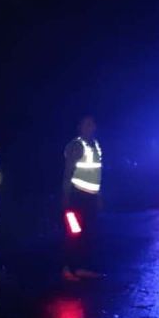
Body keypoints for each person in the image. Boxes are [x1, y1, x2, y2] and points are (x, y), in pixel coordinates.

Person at [62, 115, 103, 281]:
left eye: (92, 123)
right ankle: (67, 268)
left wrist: (99, 196)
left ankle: (81, 268)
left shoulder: (96, 145)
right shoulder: (77, 145)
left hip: (91, 198)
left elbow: (96, 174)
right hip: (76, 197)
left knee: (88, 234)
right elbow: (67, 172)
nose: (91, 126)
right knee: (74, 233)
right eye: (87, 124)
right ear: (80, 127)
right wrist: (65, 197)